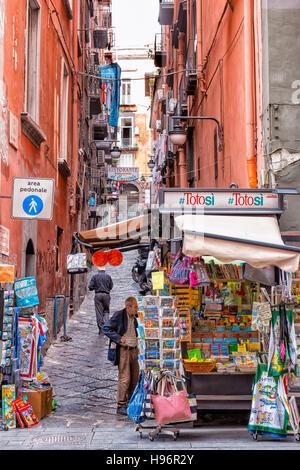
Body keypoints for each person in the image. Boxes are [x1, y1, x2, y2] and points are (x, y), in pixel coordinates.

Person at [102, 297, 139, 415]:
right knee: (125, 378)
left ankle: (130, 402)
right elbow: (106, 328)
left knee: (135, 378)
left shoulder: (136, 317)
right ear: (128, 307)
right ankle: (121, 404)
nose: (137, 309)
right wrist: (118, 338)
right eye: (135, 307)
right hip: (124, 350)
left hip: (134, 350)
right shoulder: (119, 315)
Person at [88, 266, 113, 334]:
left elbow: (90, 287)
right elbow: (111, 286)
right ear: (105, 270)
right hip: (106, 295)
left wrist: (95, 287)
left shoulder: (95, 277)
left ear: (98, 270)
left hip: (98, 295)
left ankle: (101, 329)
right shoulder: (108, 276)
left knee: (99, 312)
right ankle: (107, 328)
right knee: (106, 311)